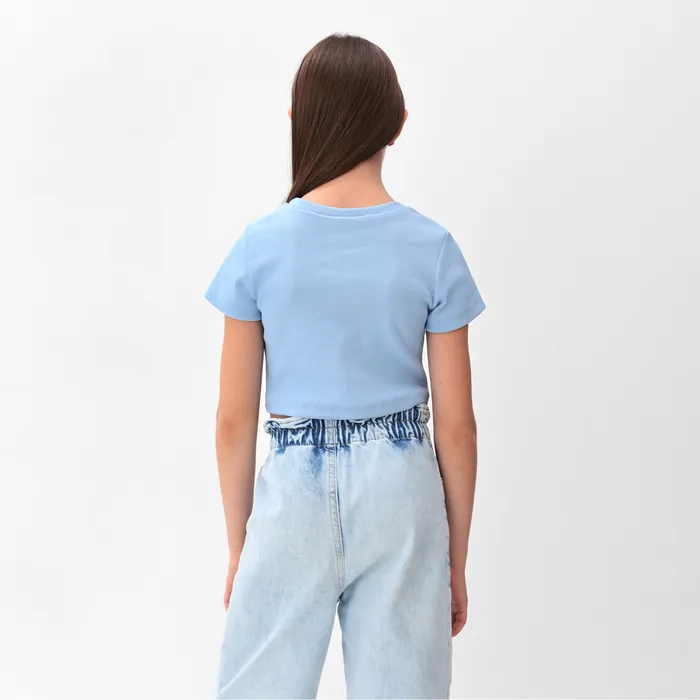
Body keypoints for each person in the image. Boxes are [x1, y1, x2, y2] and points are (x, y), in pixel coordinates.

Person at [204, 33, 485, 700]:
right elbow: (457, 429)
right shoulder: (432, 248)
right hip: (401, 494)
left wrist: (242, 544)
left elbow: (233, 421)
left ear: (297, 120)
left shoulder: (259, 247)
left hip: (291, 496)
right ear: (398, 123)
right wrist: (454, 559)